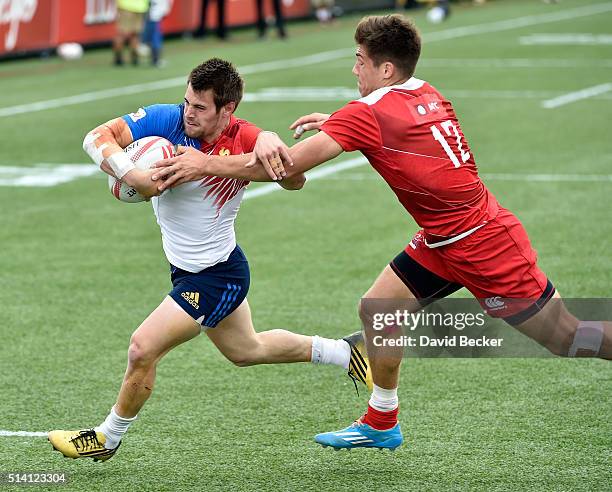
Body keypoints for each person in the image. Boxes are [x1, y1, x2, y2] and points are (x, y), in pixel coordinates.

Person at [151, 15, 612, 451]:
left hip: (485, 244)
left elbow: (287, 166)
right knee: (379, 309)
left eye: (359, 60)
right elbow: (394, 124)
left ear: (385, 67)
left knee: (567, 338)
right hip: (443, 237)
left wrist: (204, 163)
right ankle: (382, 422)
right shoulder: (423, 91)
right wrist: (338, 121)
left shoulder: (366, 113)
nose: (354, 68)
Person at [47, 58, 371, 462]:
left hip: (218, 276)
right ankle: (347, 352)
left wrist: (271, 143)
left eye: (200, 108)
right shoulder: (169, 120)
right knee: (246, 350)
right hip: (188, 269)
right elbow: (97, 137)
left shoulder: (245, 137)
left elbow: (295, 180)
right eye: (187, 102)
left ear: (227, 109)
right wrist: (132, 175)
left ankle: (107, 437)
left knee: (142, 348)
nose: (189, 114)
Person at [114, 0, 149, 66]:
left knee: (125, 33)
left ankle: (120, 59)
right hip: (138, 7)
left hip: (129, 6)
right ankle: (133, 59)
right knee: (133, 34)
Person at [142, 0, 172, 67]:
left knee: (156, 36)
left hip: (156, 15)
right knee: (155, 37)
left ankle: (155, 59)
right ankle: (155, 59)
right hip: (154, 15)